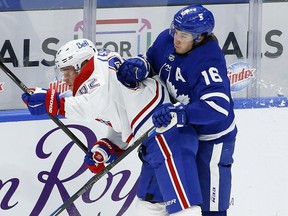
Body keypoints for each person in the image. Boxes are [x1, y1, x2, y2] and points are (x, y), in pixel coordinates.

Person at [22, 38, 204, 215]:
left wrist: (52, 102)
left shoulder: (97, 76)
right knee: (149, 206)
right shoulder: (103, 71)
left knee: (183, 209)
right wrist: (108, 146)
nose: (65, 79)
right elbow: (122, 115)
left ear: (83, 64)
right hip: (154, 143)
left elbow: (89, 106)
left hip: (168, 137)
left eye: (68, 72)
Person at [117, 4, 237, 216]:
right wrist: (139, 66)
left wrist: (180, 113)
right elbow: (152, 62)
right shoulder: (167, 39)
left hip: (211, 140)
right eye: (175, 30)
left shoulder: (209, 60)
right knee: (163, 197)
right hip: (179, 133)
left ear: (200, 37)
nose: (176, 39)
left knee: (210, 207)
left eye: (183, 35)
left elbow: (219, 108)